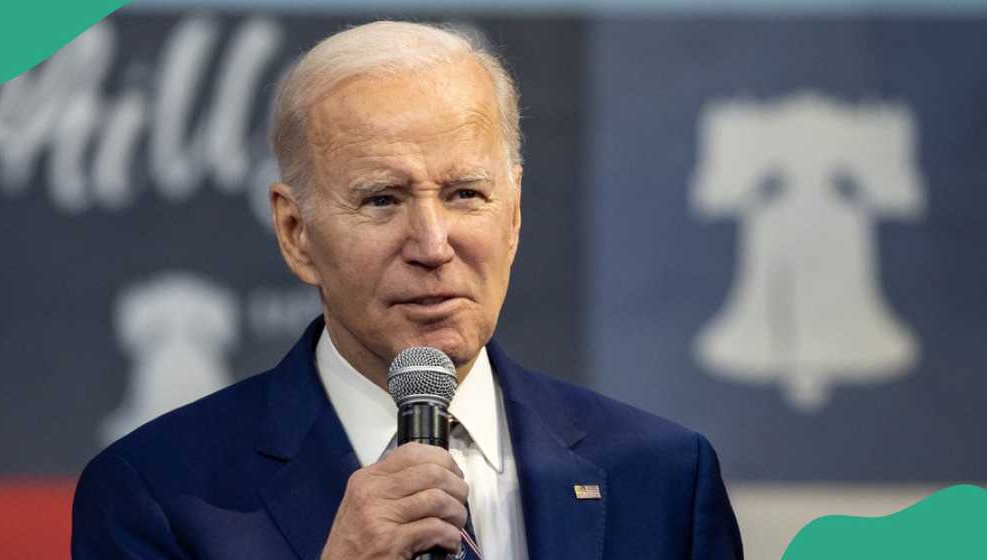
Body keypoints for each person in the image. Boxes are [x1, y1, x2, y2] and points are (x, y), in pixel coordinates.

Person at [71, 21, 743, 560]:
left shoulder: (663, 478)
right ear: (296, 232)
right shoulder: (155, 493)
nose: (431, 244)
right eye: (383, 199)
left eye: (465, 194)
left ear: (512, 215)